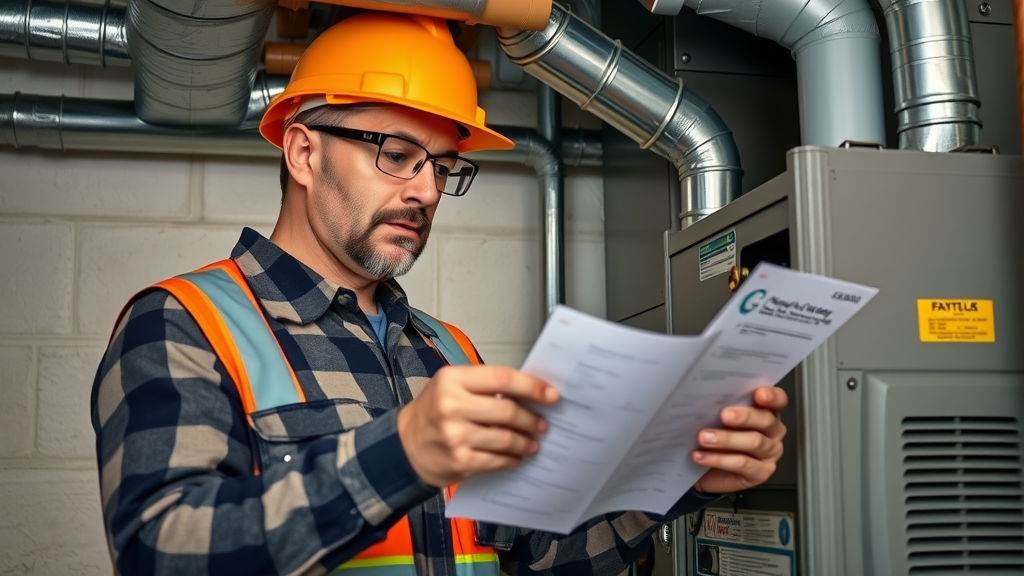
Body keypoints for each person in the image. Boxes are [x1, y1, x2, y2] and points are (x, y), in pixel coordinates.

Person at [90, 10, 787, 576]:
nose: (425, 190)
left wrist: (678, 481)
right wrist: (402, 453)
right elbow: (162, 552)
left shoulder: (450, 352)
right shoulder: (184, 324)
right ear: (303, 152)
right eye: (395, 154)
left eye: (442, 167)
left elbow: (538, 557)